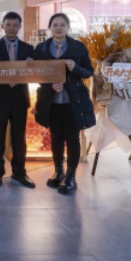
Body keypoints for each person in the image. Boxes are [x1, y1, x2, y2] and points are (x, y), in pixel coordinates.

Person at [33, 13, 96, 195]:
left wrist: (75, 68)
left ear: (68, 28)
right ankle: (58, 171)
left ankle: (71, 176)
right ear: (50, 27)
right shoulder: (42, 48)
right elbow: (36, 74)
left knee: (72, 138)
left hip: (73, 101)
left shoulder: (78, 47)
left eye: (62, 25)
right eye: (55, 24)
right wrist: (50, 86)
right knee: (56, 137)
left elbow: (88, 72)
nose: (59, 28)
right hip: (51, 101)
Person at [0, 12, 36, 188]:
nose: (12, 28)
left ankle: (19, 172)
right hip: (0, 97)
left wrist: (32, 63)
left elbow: (36, 71)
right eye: (8, 25)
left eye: (15, 25)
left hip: (20, 98)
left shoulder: (29, 49)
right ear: (3, 26)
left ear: (20, 27)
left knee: (19, 137)